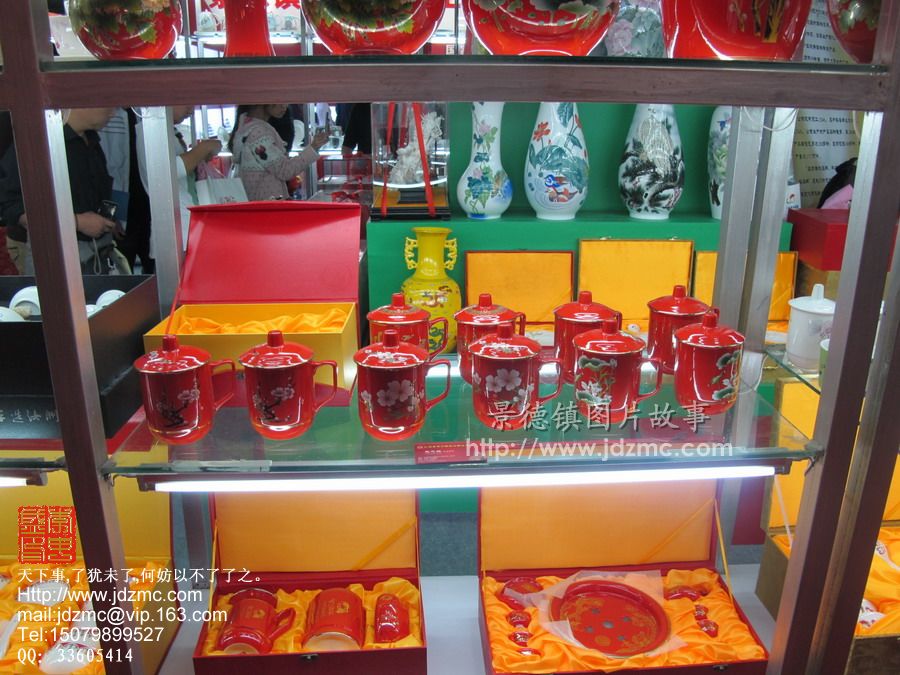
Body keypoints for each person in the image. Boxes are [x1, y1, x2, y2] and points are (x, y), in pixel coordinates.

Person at [0, 107, 127, 275]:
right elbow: (13, 206)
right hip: (54, 256)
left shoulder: (91, 141)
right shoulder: (38, 143)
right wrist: (77, 222)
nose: (113, 112)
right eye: (106, 104)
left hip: (97, 252)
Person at [136, 105, 221, 250]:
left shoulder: (168, 131)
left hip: (185, 224)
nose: (191, 110)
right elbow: (166, 171)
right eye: (187, 103)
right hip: (176, 229)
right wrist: (203, 149)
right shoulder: (150, 130)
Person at [229, 104, 328, 201]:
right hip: (267, 203)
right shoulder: (258, 132)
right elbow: (284, 170)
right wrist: (314, 147)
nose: (285, 106)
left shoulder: (247, 127)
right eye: (280, 100)